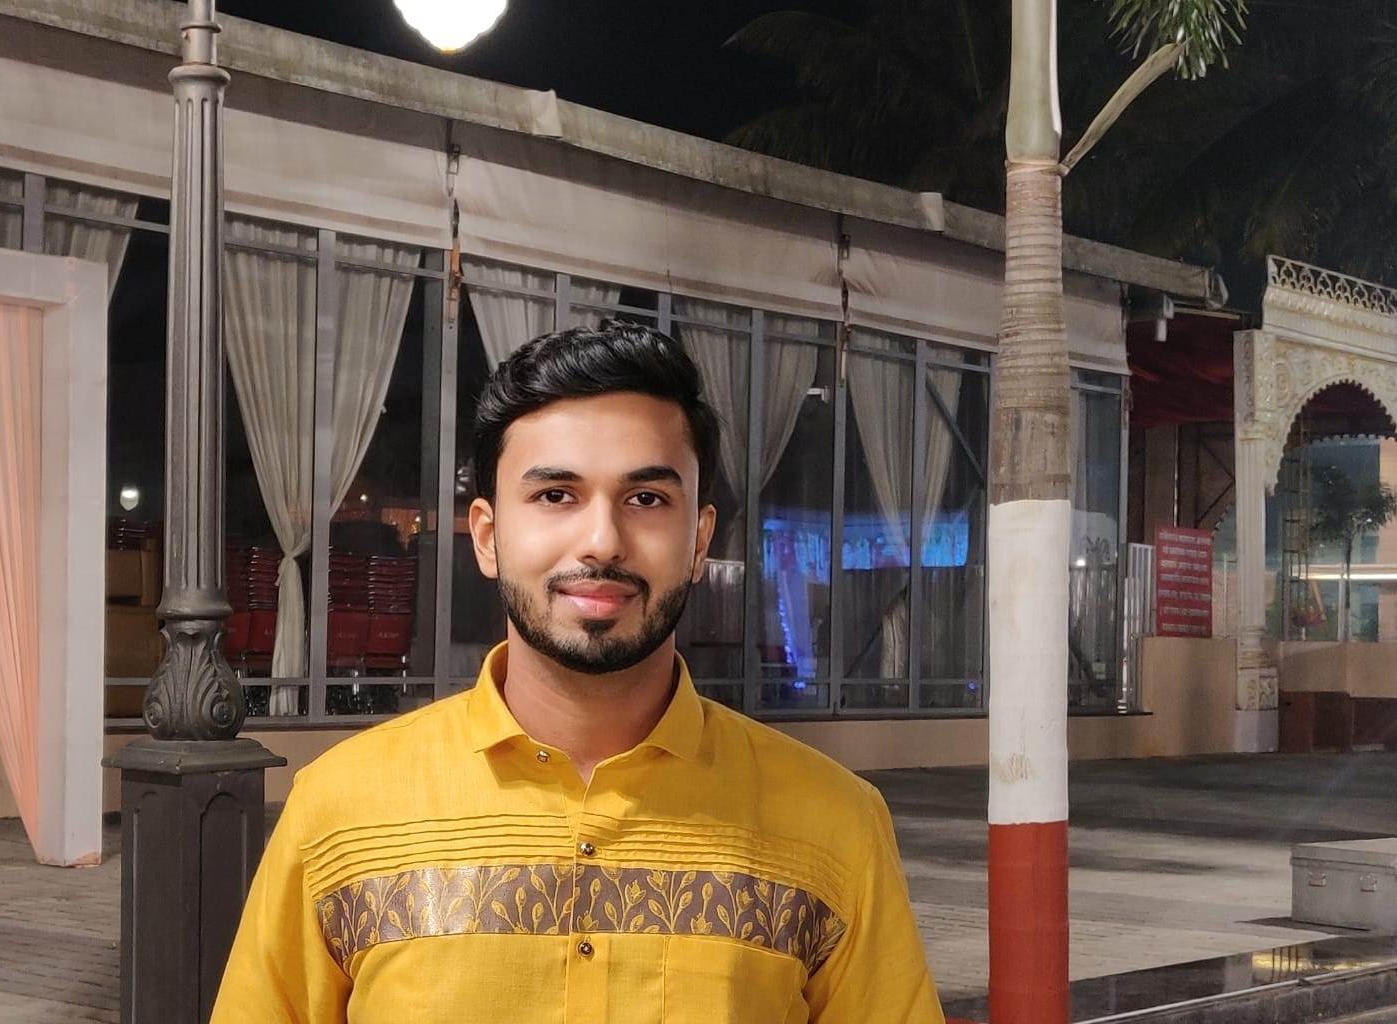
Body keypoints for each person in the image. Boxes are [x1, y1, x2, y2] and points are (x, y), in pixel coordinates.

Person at [210, 321, 943, 1023]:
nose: (602, 540)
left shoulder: (834, 823)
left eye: (647, 499)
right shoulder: (340, 811)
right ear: (488, 537)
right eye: (555, 495)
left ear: (699, 541)